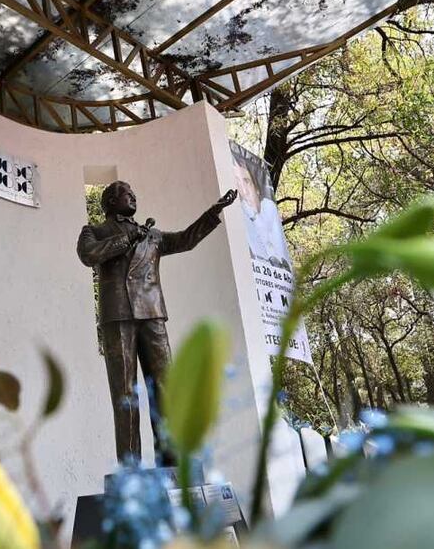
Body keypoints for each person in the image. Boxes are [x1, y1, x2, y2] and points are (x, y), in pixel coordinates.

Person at [76, 181, 237, 464]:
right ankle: (131, 470)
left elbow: (186, 239)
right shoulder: (94, 231)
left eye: (135, 192)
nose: (134, 195)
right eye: (127, 192)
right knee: (125, 396)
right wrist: (128, 239)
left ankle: (172, 461)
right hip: (118, 316)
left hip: (152, 314)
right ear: (111, 201)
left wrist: (213, 212)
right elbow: (89, 255)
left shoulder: (153, 236)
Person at [232, 157, 291, 271]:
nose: (243, 191)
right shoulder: (242, 214)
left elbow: (274, 239)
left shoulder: (269, 207)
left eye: (246, 181)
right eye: (237, 183)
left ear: (257, 189)